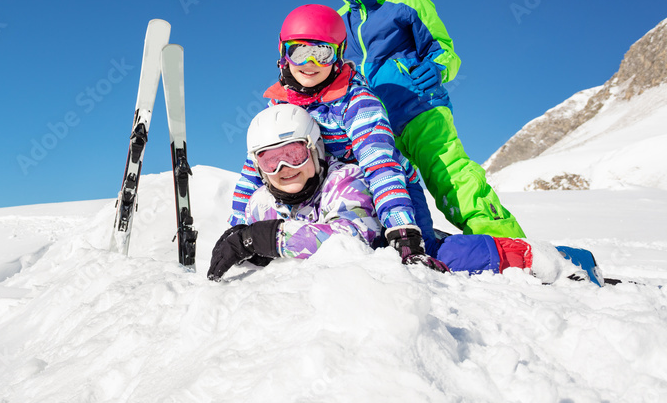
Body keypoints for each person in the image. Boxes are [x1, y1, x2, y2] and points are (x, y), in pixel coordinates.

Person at [209, 105, 606, 286]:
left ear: (314, 150)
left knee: (457, 256)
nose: (284, 170)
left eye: (293, 153)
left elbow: (347, 241)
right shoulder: (262, 201)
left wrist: (263, 238)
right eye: (270, 161)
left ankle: (558, 259)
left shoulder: (345, 181)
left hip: (395, 243)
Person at [329, 0, 524, 238]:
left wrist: (437, 69)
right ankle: (414, 241)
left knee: (449, 174)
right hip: (372, 123)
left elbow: (445, 50)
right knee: (389, 185)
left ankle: (504, 239)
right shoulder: (339, 22)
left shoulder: (408, 4)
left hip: (420, 109)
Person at [228, 4, 440, 256]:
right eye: (299, 51)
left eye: (322, 53)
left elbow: (380, 161)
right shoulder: (279, 104)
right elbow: (255, 169)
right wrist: (236, 229)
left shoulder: (356, 101)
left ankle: (491, 250)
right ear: (283, 53)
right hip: (323, 195)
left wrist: (401, 227)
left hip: (387, 192)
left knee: (424, 255)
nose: (310, 62)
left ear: (338, 54)